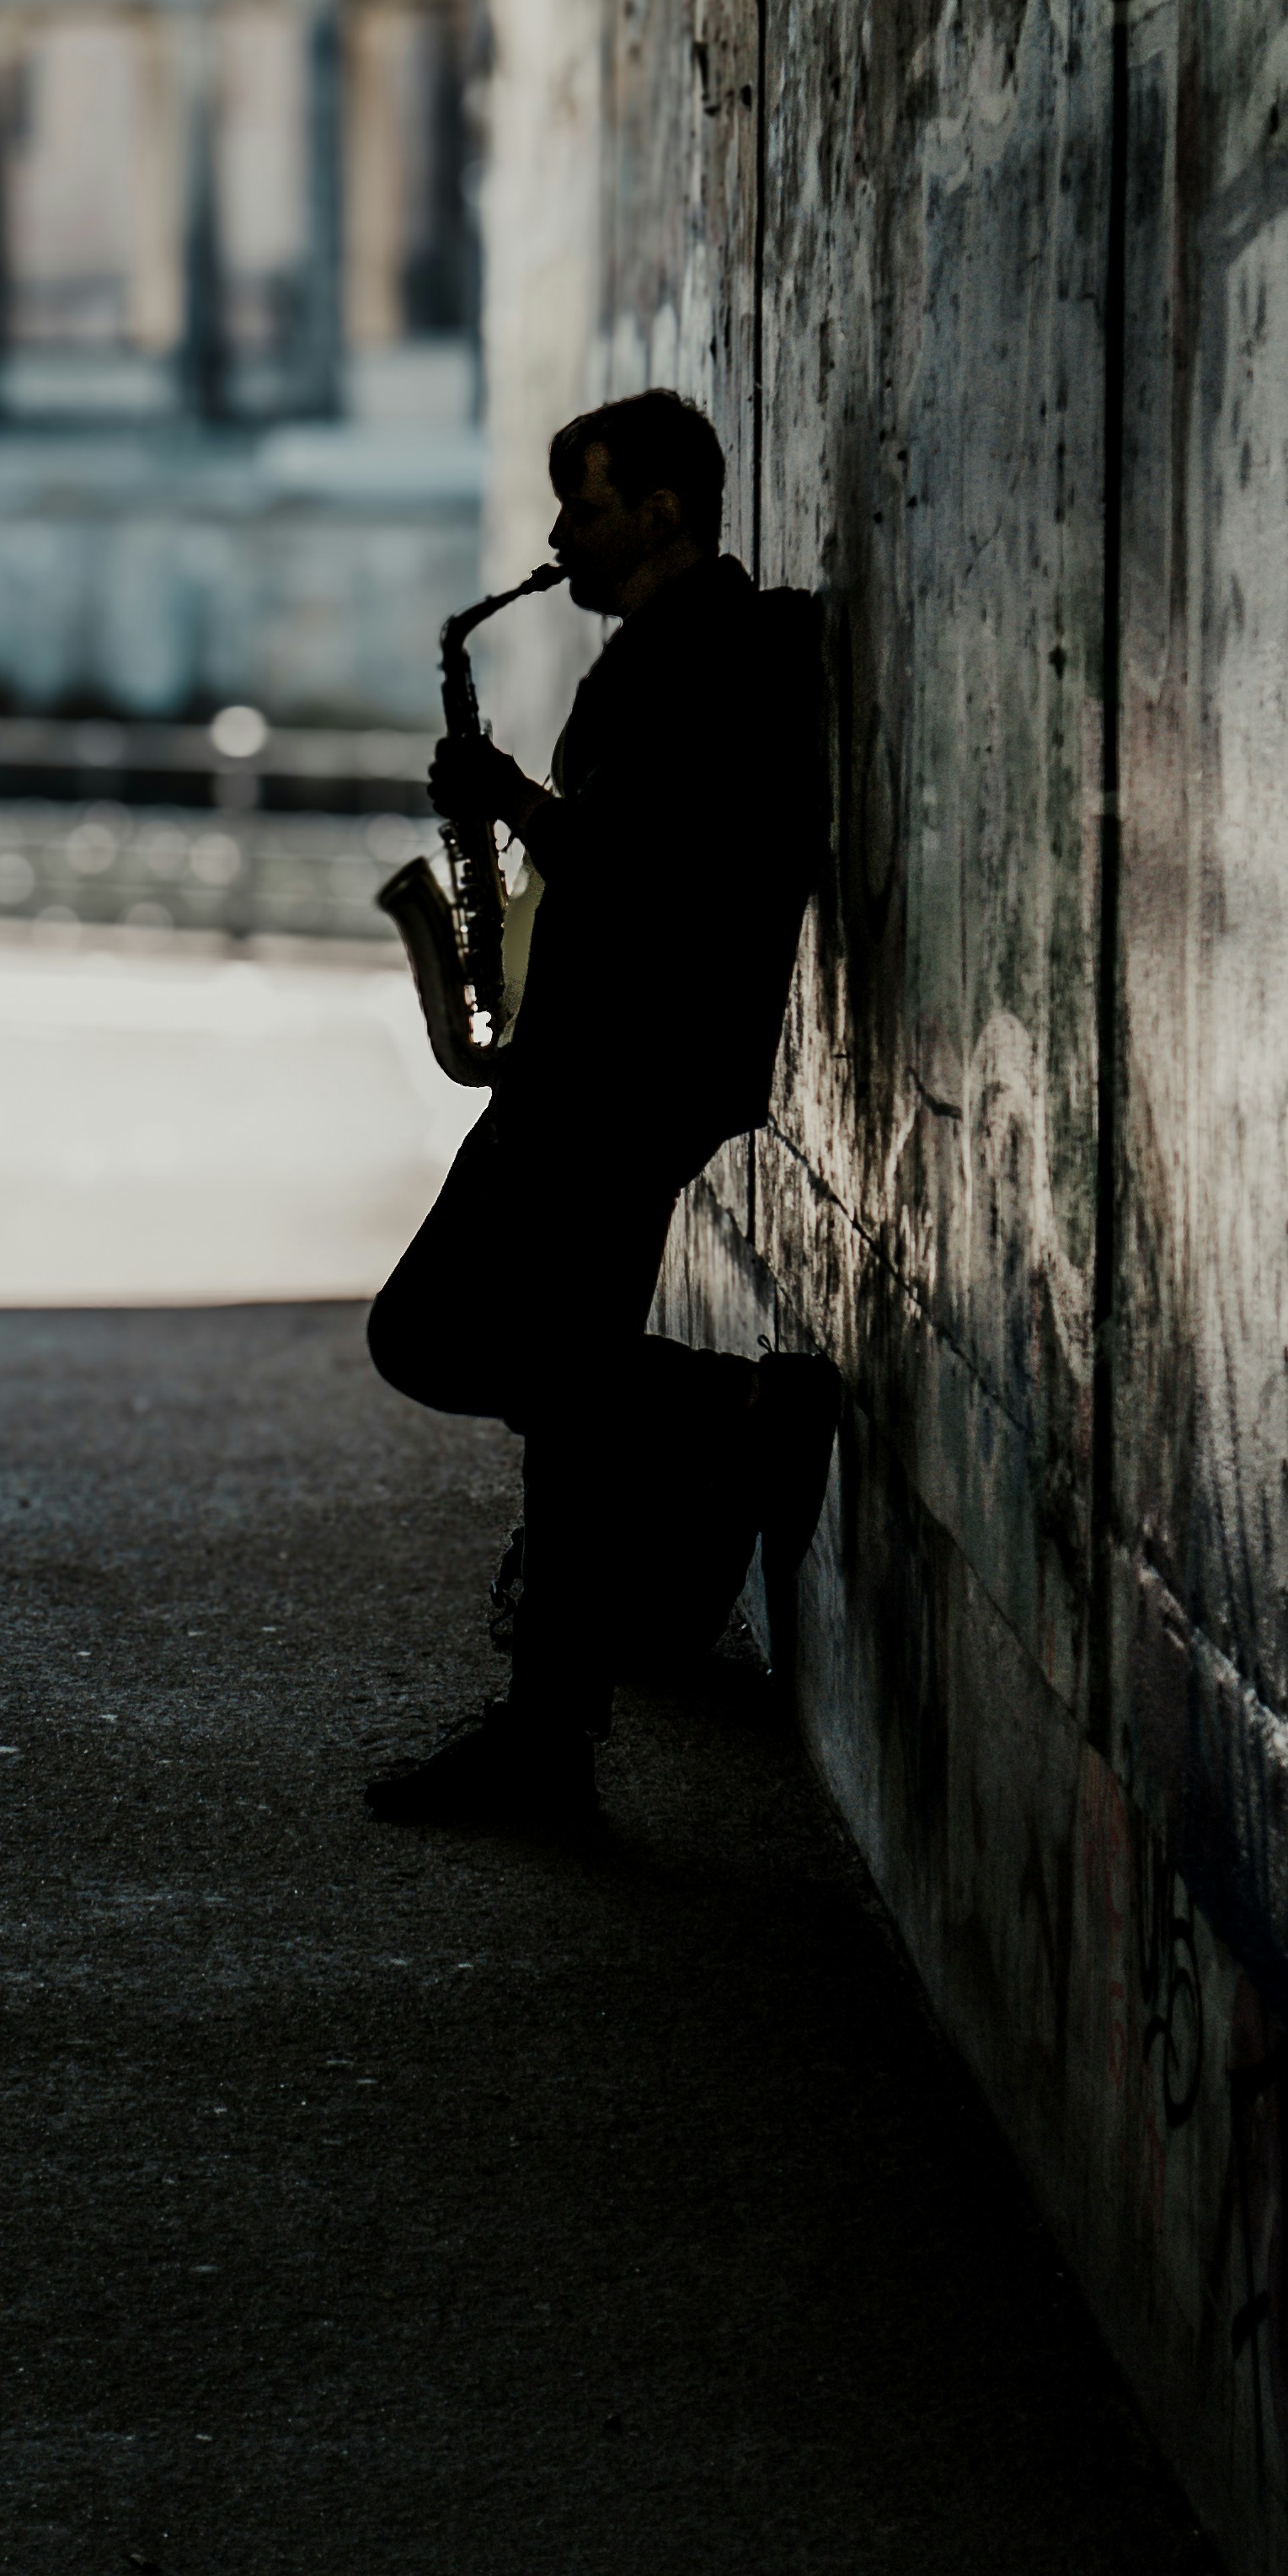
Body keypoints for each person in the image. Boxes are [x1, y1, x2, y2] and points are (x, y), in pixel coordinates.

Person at [362, 390, 834, 1830]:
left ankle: (750, 1409)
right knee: (564, 1392)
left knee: (434, 1331)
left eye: (587, 502)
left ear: (665, 512)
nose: (559, 532)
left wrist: (503, 797)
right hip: (617, 1056)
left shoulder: (715, 661)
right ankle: (547, 1746)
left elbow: (654, 873)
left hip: (628, 1064)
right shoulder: (668, 658)